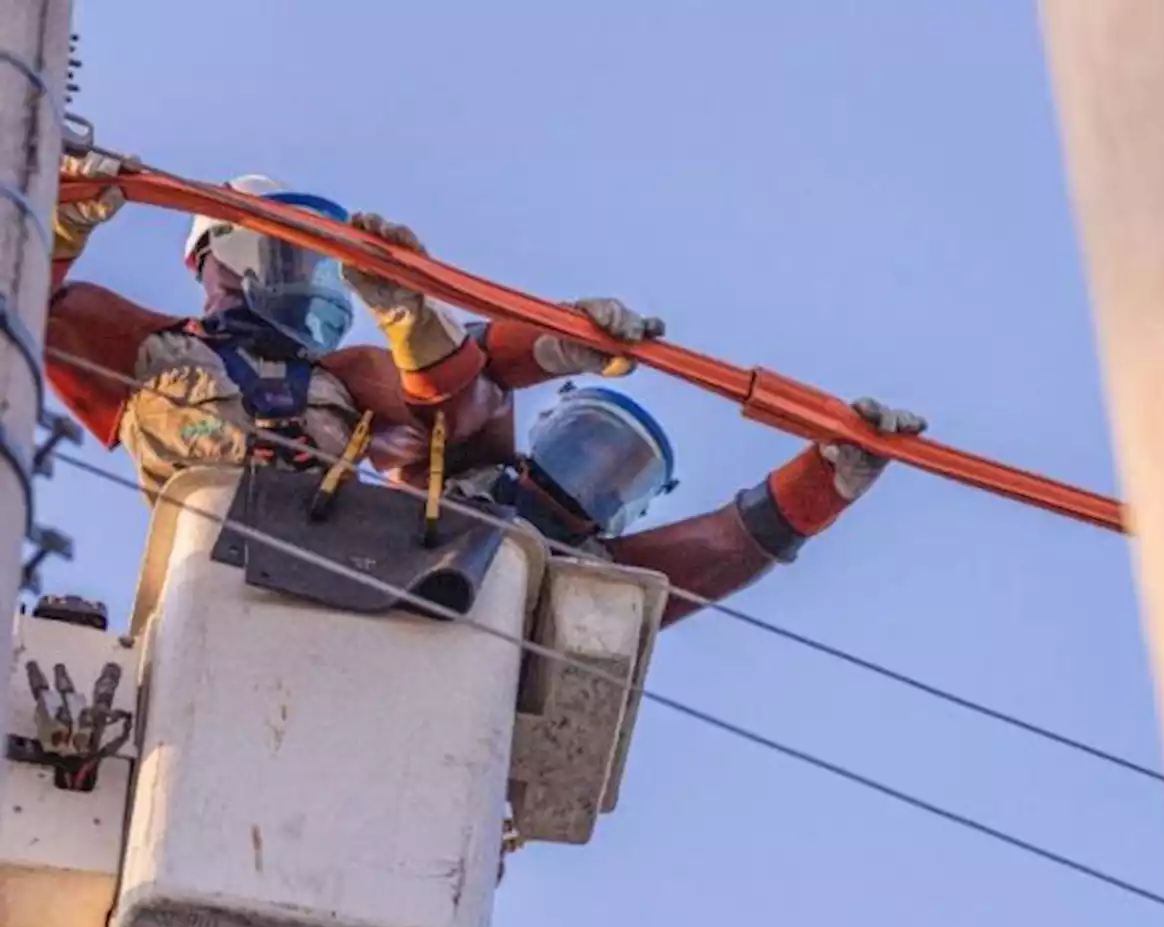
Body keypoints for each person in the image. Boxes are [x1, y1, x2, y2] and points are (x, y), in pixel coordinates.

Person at [45, 152, 665, 499]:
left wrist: (550, 343)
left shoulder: (345, 382)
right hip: (200, 586)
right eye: (290, 253)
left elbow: (462, 412)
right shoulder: (147, 352)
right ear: (225, 255)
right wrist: (61, 224)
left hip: (331, 586)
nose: (306, 275)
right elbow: (21, 308)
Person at [392, 383, 927, 627]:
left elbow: (728, 545)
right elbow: (466, 389)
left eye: (619, 471)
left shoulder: (598, 576)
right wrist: (551, 345)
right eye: (585, 446)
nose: (593, 472)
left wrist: (829, 477)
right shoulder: (462, 474)